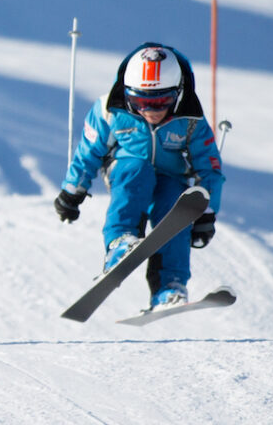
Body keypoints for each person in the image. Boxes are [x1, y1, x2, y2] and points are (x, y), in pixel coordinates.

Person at [54, 42, 225, 311]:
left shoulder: (191, 119)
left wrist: (206, 212)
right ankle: (120, 242)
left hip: (171, 176)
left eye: (161, 101)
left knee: (175, 204)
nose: (150, 110)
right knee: (138, 170)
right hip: (127, 171)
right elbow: (87, 153)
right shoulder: (110, 110)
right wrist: (72, 191)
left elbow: (209, 168)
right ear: (128, 94)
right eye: (141, 101)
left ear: (177, 94)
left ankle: (169, 287)